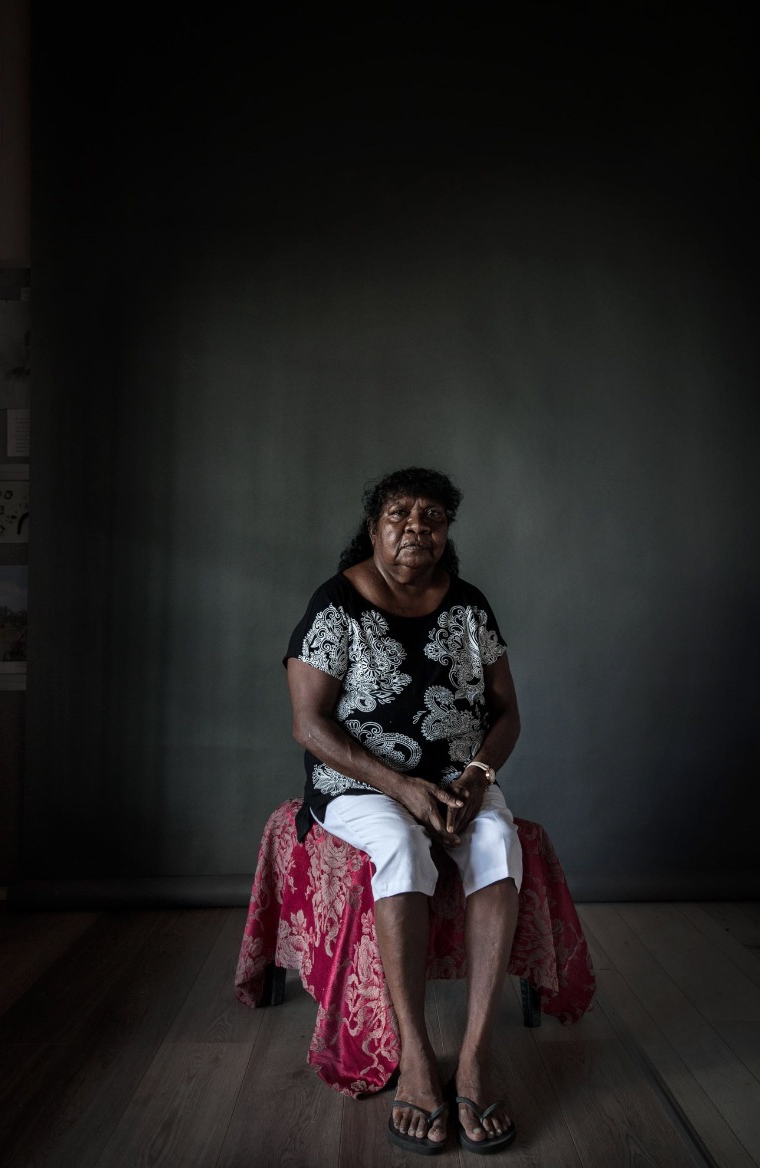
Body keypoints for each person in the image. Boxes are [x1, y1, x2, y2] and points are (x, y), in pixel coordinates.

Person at [285, 467, 522, 1156]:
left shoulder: (470, 607)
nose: (417, 526)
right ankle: (417, 1058)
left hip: (457, 779)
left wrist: (476, 779)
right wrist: (403, 788)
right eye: (400, 513)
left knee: (498, 844)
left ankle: (475, 1055)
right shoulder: (336, 604)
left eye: (432, 516)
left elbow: (507, 712)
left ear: (446, 532)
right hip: (357, 785)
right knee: (400, 848)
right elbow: (309, 723)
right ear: (373, 526)